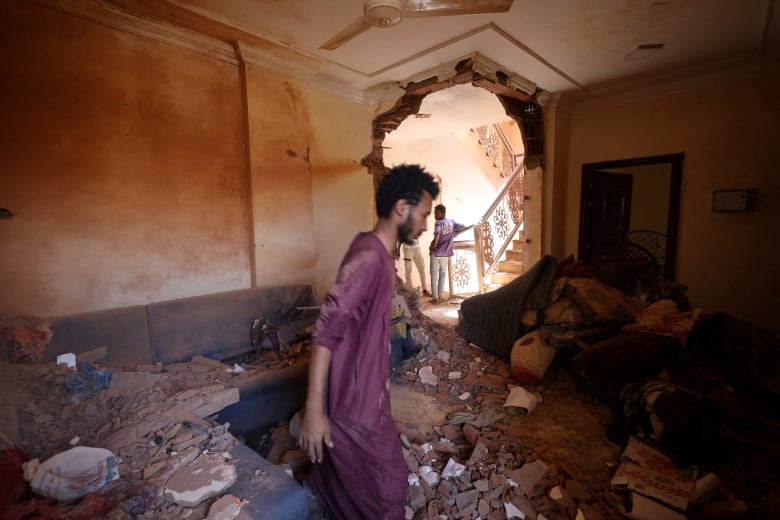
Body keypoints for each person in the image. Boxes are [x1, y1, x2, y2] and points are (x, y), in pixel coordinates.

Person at [299, 164, 440, 519]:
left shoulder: (378, 254)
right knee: (389, 489)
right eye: (423, 215)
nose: (425, 225)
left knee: (348, 471)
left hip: (366, 394)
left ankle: (321, 494)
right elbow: (325, 332)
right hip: (355, 401)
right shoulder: (368, 258)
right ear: (401, 208)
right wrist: (315, 411)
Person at [428, 204, 469, 304]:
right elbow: (463, 227)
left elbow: (437, 237)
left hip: (436, 253)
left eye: (436, 213)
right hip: (446, 253)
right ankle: (440, 296)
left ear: (442, 213)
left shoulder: (438, 223)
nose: (435, 215)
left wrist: (432, 246)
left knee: (434, 275)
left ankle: (435, 298)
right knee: (442, 275)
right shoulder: (451, 222)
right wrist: (453, 233)